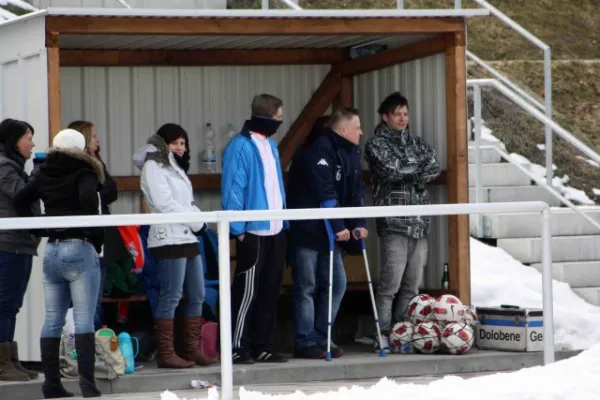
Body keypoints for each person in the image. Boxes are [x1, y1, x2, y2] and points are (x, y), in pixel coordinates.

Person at [15, 128, 104, 398]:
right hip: (79, 248)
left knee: (52, 318)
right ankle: (88, 384)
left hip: (52, 251)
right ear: (80, 148)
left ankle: (52, 384)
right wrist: (94, 238)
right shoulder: (84, 171)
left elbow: (21, 199)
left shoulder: (44, 172)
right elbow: (90, 202)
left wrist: (39, 229)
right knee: (83, 318)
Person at [286, 107, 368, 359]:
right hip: (310, 230)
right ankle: (306, 340)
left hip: (332, 230)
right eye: (357, 127)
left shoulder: (352, 150)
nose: (361, 132)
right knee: (307, 286)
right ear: (343, 129)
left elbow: (355, 192)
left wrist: (358, 223)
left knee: (336, 283)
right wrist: (339, 226)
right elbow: (325, 192)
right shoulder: (319, 149)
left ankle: (323, 335)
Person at [133, 123, 216, 369]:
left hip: (187, 237)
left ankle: (191, 348)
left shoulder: (173, 166)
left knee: (198, 294)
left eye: (183, 143)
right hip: (168, 237)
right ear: (163, 143)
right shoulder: (153, 165)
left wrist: (198, 221)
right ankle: (167, 353)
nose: (180, 148)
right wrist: (196, 222)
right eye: (175, 143)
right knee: (171, 295)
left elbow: (186, 203)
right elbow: (164, 203)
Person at [364, 92, 440, 353]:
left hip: (420, 223)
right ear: (385, 117)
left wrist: (408, 169)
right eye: (397, 114)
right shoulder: (375, 144)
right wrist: (414, 170)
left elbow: (434, 166)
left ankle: (402, 332)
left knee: (412, 286)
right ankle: (381, 333)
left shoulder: (417, 143)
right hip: (394, 223)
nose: (403, 119)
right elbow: (390, 169)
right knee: (389, 286)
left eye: (405, 114)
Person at [222, 94, 288, 364]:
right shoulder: (240, 146)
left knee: (271, 289)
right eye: (278, 117)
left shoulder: (270, 144)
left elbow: (276, 186)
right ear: (266, 117)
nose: (281, 122)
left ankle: (263, 344)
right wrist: (237, 228)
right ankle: (237, 345)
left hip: (276, 228)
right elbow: (233, 188)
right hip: (253, 231)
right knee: (246, 291)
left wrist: (284, 219)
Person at [67, 121, 121, 330]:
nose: (98, 140)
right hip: (84, 239)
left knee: (95, 297)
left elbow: (112, 191)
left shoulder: (97, 162)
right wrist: (96, 194)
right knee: (85, 300)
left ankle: (94, 347)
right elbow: (100, 193)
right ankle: (81, 348)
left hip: (103, 239)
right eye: (94, 136)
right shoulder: (77, 167)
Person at [0, 119, 40, 382]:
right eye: (28, 137)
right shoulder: (4, 166)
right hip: (8, 243)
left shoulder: (14, 166)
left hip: (21, 243)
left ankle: (11, 359)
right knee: (4, 303)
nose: (32, 143)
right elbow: (21, 195)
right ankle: (3, 364)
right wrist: (39, 173)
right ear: (14, 140)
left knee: (12, 304)